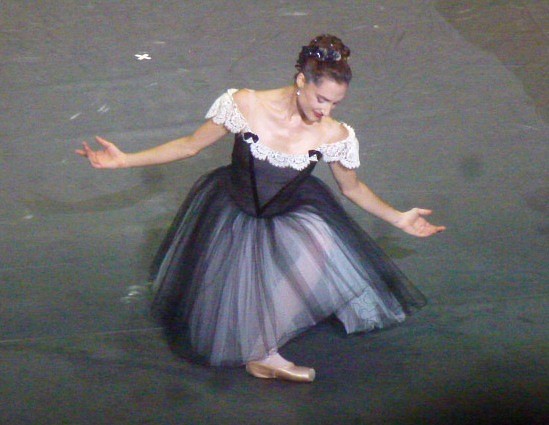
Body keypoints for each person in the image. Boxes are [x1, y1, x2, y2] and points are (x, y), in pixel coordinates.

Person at [76, 34, 445, 383]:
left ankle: (263, 350)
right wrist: (125, 160)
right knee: (234, 287)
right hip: (234, 208)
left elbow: (352, 188)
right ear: (301, 80)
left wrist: (399, 217)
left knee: (321, 247)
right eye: (321, 99)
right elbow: (189, 145)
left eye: (335, 104)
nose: (326, 110)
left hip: (289, 210)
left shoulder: (334, 134)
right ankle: (260, 351)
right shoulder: (246, 104)